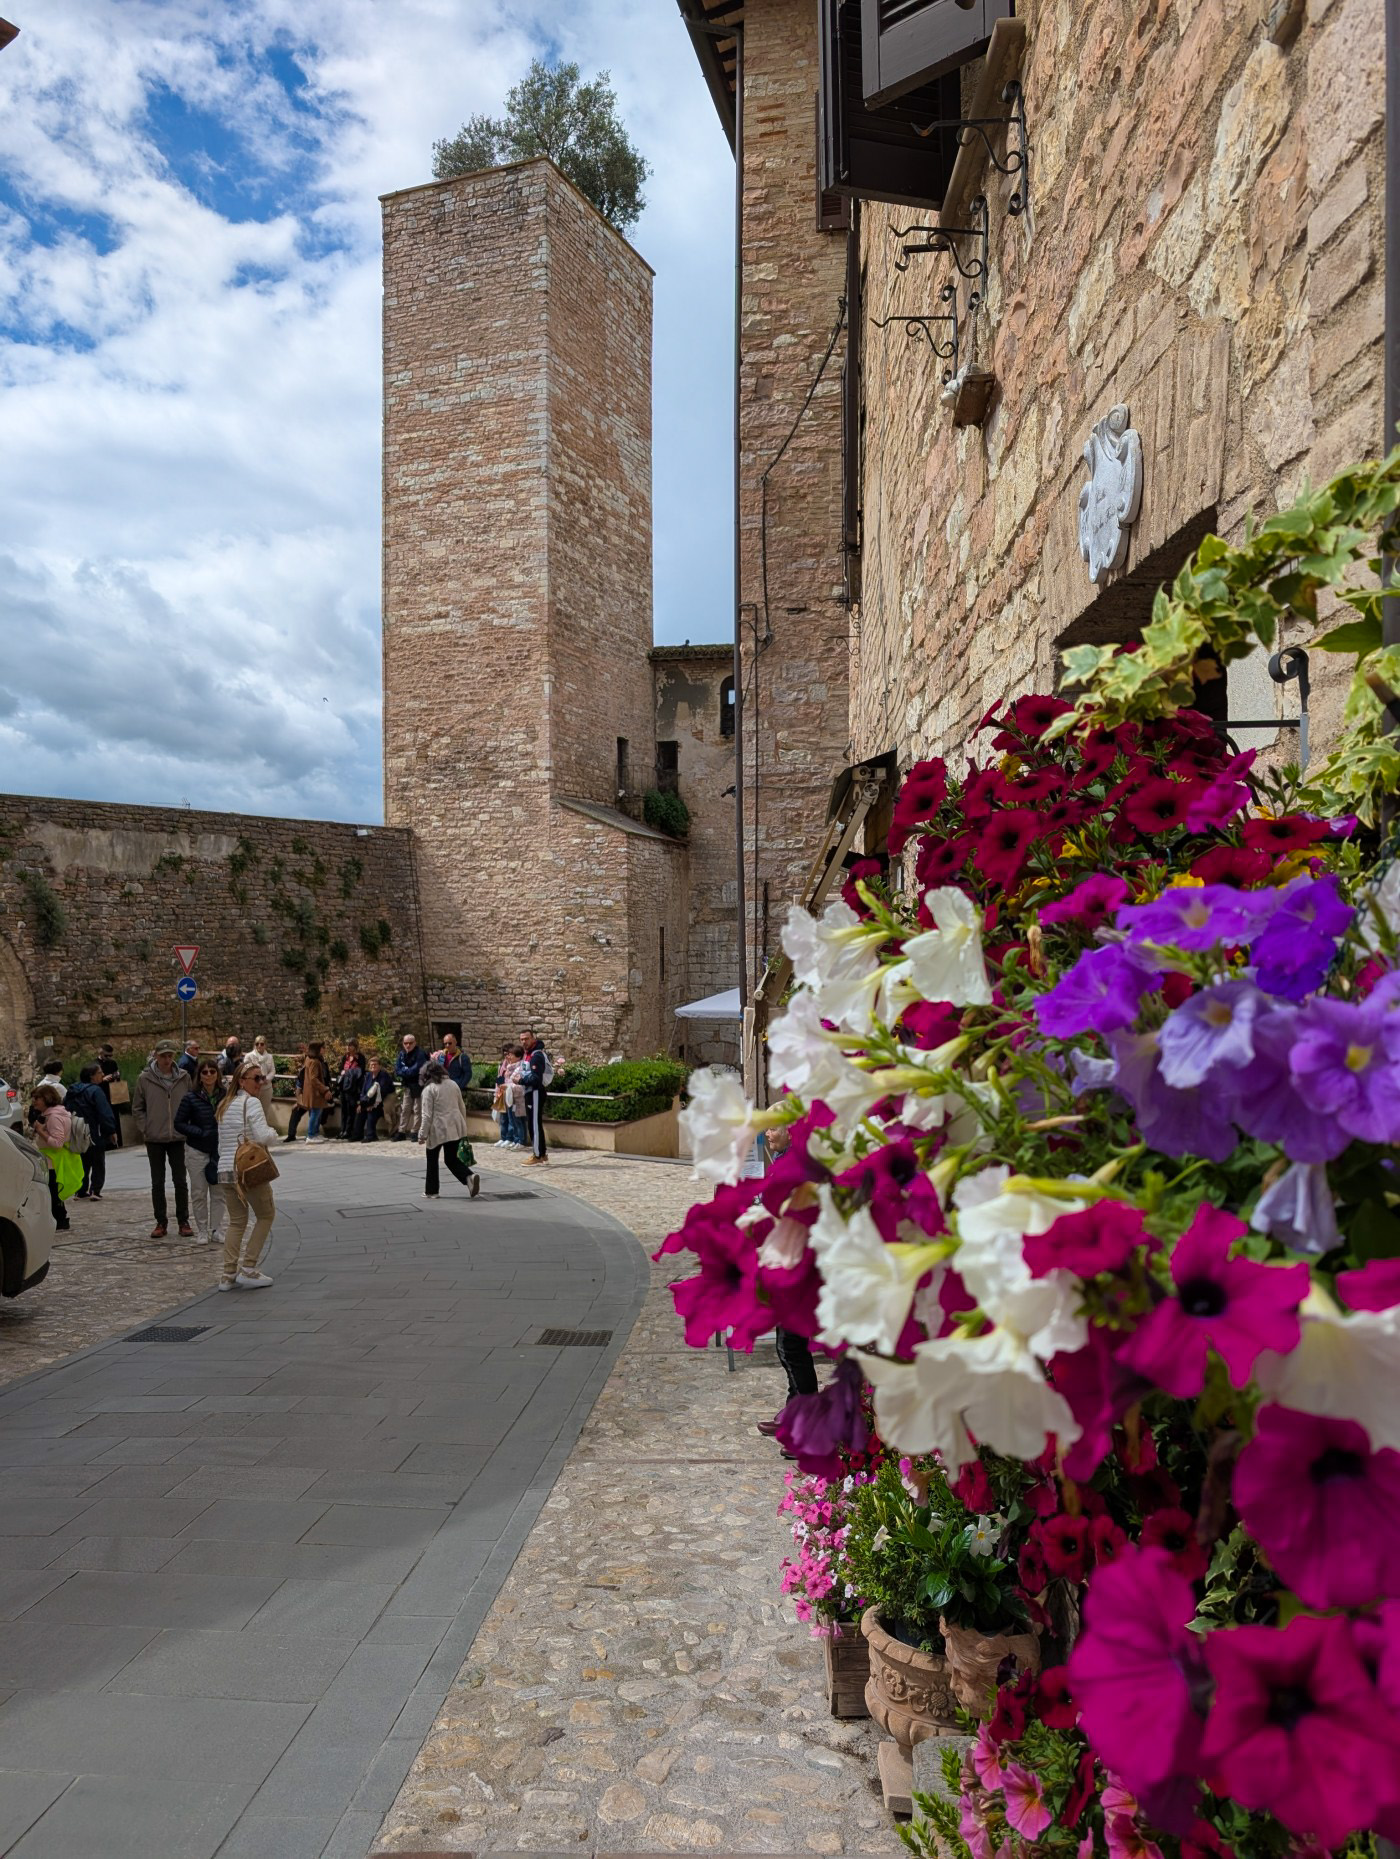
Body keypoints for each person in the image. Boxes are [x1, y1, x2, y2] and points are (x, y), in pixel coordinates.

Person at [215, 1058, 278, 1289]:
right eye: (256, 1078)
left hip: (226, 1170)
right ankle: (249, 1268)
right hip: (248, 1170)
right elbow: (262, 1136)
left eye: (262, 1078)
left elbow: (221, 1144)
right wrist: (274, 1135)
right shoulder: (251, 1103)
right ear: (242, 1082)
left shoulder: (224, 1104)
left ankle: (227, 1275)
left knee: (236, 1222)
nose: (260, 1083)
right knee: (266, 1215)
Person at [131, 1040, 194, 1238]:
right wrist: (145, 1128)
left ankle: (183, 1220)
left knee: (180, 1181)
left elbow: (191, 1103)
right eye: (163, 1056)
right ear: (156, 1056)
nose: (167, 1059)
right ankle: (161, 1222)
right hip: (155, 1137)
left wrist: (188, 1126)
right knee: (157, 1182)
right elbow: (138, 1107)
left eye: (170, 1055)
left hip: (178, 1136)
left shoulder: (184, 1077)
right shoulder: (145, 1078)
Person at [174, 1059, 225, 1247]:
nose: (209, 1075)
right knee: (199, 1192)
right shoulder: (190, 1097)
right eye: (205, 1072)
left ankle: (216, 1229)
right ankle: (202, 1229)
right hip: (197, 1150)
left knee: (219, 1193)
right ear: (199, 1075)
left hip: (219, 1150)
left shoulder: (225, 1096)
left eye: (212, 1071)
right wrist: (200, 1132)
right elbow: (179, 1123)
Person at [418, 1060, 480, 1198]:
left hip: (437, 1128)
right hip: (455, 1125)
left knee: (432, 1159)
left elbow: (427, 1115)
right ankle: (469, 1176)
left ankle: (432, 1191)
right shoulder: (453, 1084)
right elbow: (461, 1106)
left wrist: (422, 1135)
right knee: (451, 1159)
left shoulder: (429, 1089)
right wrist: (463, 1127)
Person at [26, 1085, 78, 1231]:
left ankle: (60, 1220)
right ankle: (58, 1218)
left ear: (47, 1098)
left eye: (37, 1098)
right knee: (53, 1192)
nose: (34, 1102)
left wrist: (40, 1131)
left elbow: (57, 1143)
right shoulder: (54, 1114)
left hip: (53, 1161)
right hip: (51, 1160)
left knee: (54, 1193)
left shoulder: (54, 1117)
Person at [69, 1065, 117, 1201]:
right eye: (100, 1072)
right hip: (94, 1130)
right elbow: (104, 1112)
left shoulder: (73, 1090)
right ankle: (95, 1190)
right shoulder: (96, 1091)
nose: (102, 1074)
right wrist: (111, 1131)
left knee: (83, 1161)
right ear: (92, 1076)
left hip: (77, 1129)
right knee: (97, 1161)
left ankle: (80, 1190)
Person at [519, 1028, 550, 1165]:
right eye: (521, 1039)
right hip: (531, 1092)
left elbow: (536, 1079)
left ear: (533, 1039)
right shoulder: (529, 1053)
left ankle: (537, 1155)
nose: (524, 1042)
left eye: (526, 1039)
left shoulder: (536, 1055)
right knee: (535, 1123)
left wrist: (520, 1081)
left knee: (534, 1125)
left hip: (535, 1092)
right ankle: (542, 1153)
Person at [294, 1040, 331, 1143]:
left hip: (313, 1091)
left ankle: (314, 1133)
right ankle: (310, 1135)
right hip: (315, 1092)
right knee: (315, 1113)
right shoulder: (314, 1061)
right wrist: (325, 1089)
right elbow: (313, 1078)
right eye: (323, 1048)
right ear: (318, 1049)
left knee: (317, 1113)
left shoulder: (311, 1059)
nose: (324, 1050)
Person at [394, 1033, 427, 1140]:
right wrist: (406, 1071)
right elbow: (397, 1069)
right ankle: (401, 1131)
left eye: (410, 1043)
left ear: (415, 1043)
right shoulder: (402, 1054)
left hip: (418, 1084)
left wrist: (405, 1071)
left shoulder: (420, 1054)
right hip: (408, 1084)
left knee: (418, 1109)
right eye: (405, 1043)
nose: (408, 1045)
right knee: (405, 1109)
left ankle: (415, 1131)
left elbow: (417, 1069)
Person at [358, 1055, 391, 1142]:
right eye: (371, 1065)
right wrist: (361, 1104)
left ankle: (371, 1135)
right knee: (360, 1111)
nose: (373, 1066)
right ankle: (357, 1134)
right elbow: (363, 1092)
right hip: (369, 1102)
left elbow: (382, 1093)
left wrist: (373, 1105)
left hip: (382, 1103)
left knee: (371, 1112)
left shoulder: (384, 1076)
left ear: (379, 1066)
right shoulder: (368, 1076)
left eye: (375, 1064)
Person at [97, 1044, 125, 1147]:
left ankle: (117, 1142)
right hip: (101, 1092)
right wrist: (102, 1079)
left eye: (110, 1056)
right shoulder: (95, 1064)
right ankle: (107, 1143)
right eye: (106, 1055)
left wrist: (115, 1076)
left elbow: (117, 1074)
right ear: (100, 1052)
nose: (108, 1058)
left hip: (112, 1093)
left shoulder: (112, 1063)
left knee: (114, 1117)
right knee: (104, 1118)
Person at [337, 1045, 365, 1140]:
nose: (348, 1047)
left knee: (350, 1110)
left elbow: (360, 1072)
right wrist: (343, 1072)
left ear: (355, 1046)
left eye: (350, 1045)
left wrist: (348, 1072)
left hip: (352, 1087)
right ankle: (342, 1130)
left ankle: (348, 1130)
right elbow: (341, 1069)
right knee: (344, 1109)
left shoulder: (360, 1057)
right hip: (343, 1086)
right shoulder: (345, 1057)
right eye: (347, 1045)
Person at [249, 1037, 277, 1118]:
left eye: (261, 1044)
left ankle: (263, 1130)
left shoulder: (269, 1057)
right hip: (254, 1088)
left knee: (264, 1112)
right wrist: (257, 1080)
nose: (259, 1046)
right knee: (253, 1111)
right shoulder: (250, 1056)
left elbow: (272, 1071)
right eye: (257, 1044)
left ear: (265, 1045)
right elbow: (247, 1071)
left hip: (266, 1088)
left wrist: (266, 1079)